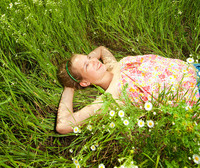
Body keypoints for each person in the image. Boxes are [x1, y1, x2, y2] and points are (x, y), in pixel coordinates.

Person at [56, 46, 200, 134]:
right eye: (87, 66)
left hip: (195, 68)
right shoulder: (111, 98)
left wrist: (90, 58)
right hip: (196, 92)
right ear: (85, 82)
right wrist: (70, 85)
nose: (93, 61)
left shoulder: (115, 65)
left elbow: (102, 49)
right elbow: (63, 125)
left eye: (89, 58)